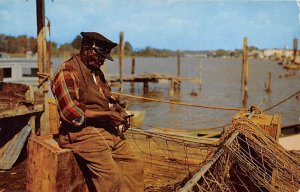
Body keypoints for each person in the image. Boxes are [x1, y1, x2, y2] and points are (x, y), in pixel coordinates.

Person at [51, 32, 144, 192]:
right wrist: (107, 115)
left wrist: (117, 109)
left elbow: (106, 99)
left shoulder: (97, 72)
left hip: (104, 129)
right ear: (87, 49)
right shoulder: (67, 72)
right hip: (79, 133)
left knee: (134, 166)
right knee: (111, 178)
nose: (102, 61)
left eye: (104, 57)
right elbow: (71, 113)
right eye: (99, 56)